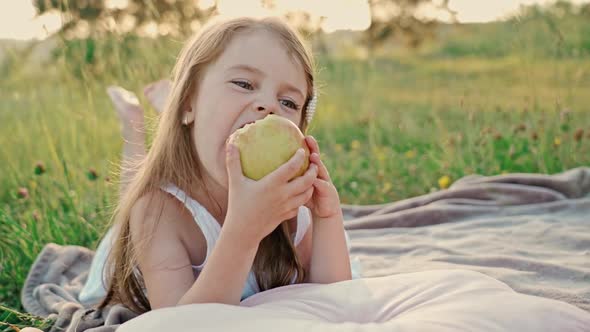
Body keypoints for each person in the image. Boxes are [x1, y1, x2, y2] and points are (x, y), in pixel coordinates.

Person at [90, 16, 354, 314]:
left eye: (289, 103)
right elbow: (182, 325)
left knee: (201, 133)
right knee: (132, 198)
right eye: (244, 84)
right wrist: (245, 230)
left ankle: (173, 107)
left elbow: (333, 303)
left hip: (195, 117)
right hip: (141, 240)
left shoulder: (293, 209)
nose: (268, 105)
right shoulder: (158, 212)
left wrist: (327, 218)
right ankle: (135, 123)